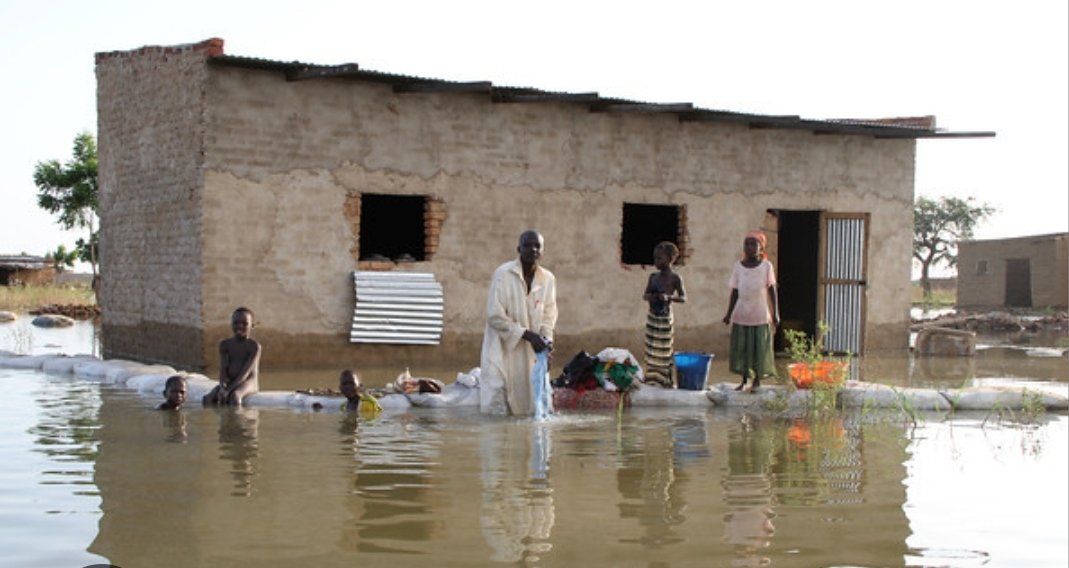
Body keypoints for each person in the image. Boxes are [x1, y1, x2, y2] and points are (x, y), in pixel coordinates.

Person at [480, 230, 558, 416]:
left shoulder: (547, 279)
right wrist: (528, 335)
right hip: (502, 347)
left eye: (537, 246)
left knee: (533, 402)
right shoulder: (503, 274)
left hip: (532, 350)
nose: (533, 249)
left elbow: (549, 315)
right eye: (527, 245)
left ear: (543, 251)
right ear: (518, 249)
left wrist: (547, 344)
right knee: (499, 401)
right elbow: (494, 315)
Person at [722, 231, 780, 392]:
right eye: (747, 244)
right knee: (742, 349)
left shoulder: (766, 266)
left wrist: (775, 313)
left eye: (754, 244)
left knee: (758, 349)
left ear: (761, 248)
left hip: (760, 314)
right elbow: (735, 291)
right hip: (742, 313)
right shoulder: (738, 266)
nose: (749, 247)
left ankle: (757, 381)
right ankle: (743, 380)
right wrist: (728, 313)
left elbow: (772, 290)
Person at [642, 241, 686, 388]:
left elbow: (683, 297)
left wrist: (669, 298)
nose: (656, 262)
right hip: (653, 317)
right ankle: (651, 379)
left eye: (660, 258)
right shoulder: (653, 277)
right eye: (655, 258)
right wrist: (652, 297)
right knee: (651, 349)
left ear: (670, 259)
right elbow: (645, 295)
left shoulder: (675, 278)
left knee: (664, 350)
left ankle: (665, 380)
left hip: (665, 318)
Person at [203, 307, 261, 406]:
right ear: (231, 324)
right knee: (207, 398)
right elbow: (223, 370)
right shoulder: (225, 345)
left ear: (252, 326)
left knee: (235, 396)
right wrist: (222, 387)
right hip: (231, 382)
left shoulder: (254, 346)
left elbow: (245, 374)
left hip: (248, 382)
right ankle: (223, 421)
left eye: (244, 323)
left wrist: (228, 390)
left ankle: (237, 421)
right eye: (236, 323)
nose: (239, 326)